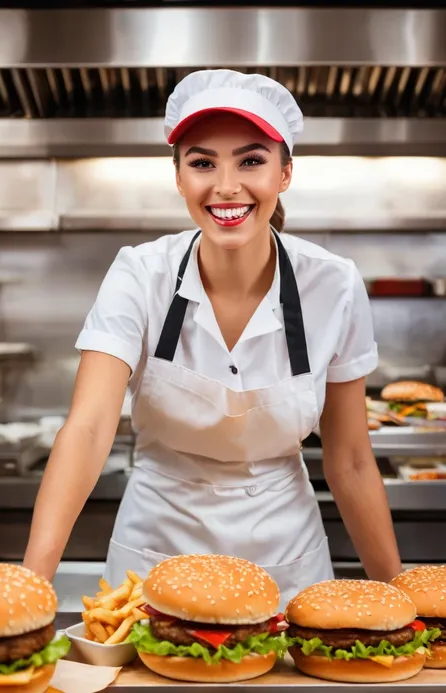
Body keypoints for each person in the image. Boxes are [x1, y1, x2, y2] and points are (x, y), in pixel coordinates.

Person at [24, 70, 402, 602]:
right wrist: (34, 586)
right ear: (179, 177)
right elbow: (87, 431)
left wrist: (402, 601)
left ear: (286, 172)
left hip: (286, 560)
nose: (226, 186)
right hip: (154, 554)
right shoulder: (139, 273)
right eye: (203, 163)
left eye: (251, 160)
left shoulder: (333, 285)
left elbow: (352, 459)